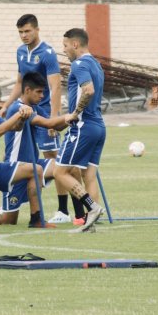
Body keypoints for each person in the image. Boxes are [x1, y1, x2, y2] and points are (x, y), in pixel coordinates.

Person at [1, 14, 81, 225]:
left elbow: (55, 86)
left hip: (44, 114)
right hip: (25, 114)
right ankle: (32, 207)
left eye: (27, 31)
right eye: (20, 32)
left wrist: (54, 118)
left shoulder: (47, 53)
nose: (24, 36)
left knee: (55, 161)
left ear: (37, 30)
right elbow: (19, 83)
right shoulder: (20, 52)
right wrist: (6, 106)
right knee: (30, 159)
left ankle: (64, 209)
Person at [0, 78, 63, 228]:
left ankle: (36, 219)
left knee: (35, 170)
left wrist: (22, 118)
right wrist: (19, 113)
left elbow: (15, 127)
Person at [53, 28, 107, 233]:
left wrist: (75, 112)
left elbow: (89, 90)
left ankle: (92, 208)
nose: (64, 50)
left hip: (83, 127)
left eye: (65, 46)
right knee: (89, 175)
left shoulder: (79, 64)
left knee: (60, 172)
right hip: (99, 126)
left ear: (75, 44)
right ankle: (90, 224)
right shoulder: (96, 64)